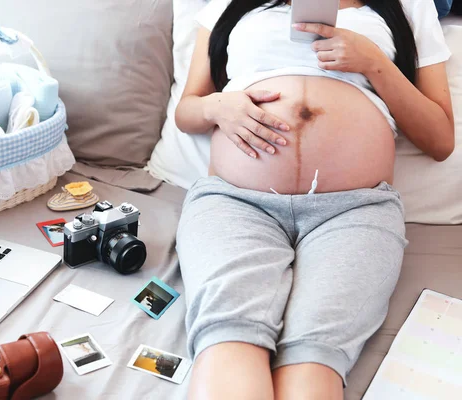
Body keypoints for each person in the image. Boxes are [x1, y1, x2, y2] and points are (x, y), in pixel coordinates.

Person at [174, 0, 454, 399]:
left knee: (315, 352)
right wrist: (218, 107)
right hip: (236, 202)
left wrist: (375, 64)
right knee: (228, 333)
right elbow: (187, 110)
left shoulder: (409, 5)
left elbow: (440, 141)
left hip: (354, 210)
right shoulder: (230, 4)